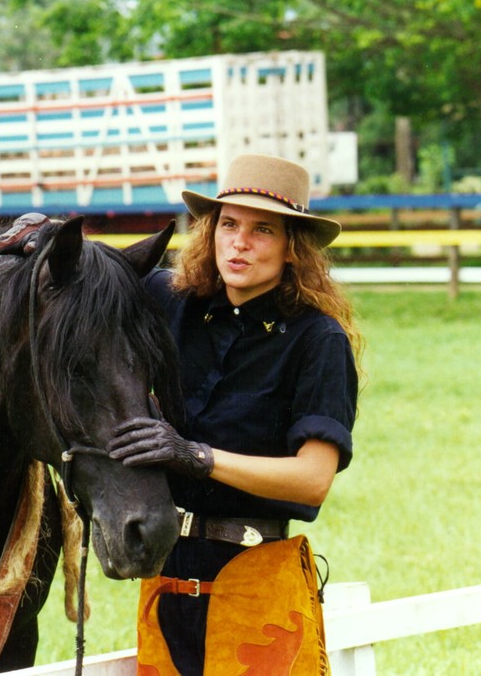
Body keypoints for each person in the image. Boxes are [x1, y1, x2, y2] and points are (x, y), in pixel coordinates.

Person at [109, 154, 360, 675]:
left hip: (257, 581)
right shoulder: (168, 300)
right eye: (228, 225)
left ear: (294, 248)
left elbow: (313, 480)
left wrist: (198, 457)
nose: (239, 243)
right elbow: (82, 292)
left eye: (262, 230)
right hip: (165, 578)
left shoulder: (318, 340)